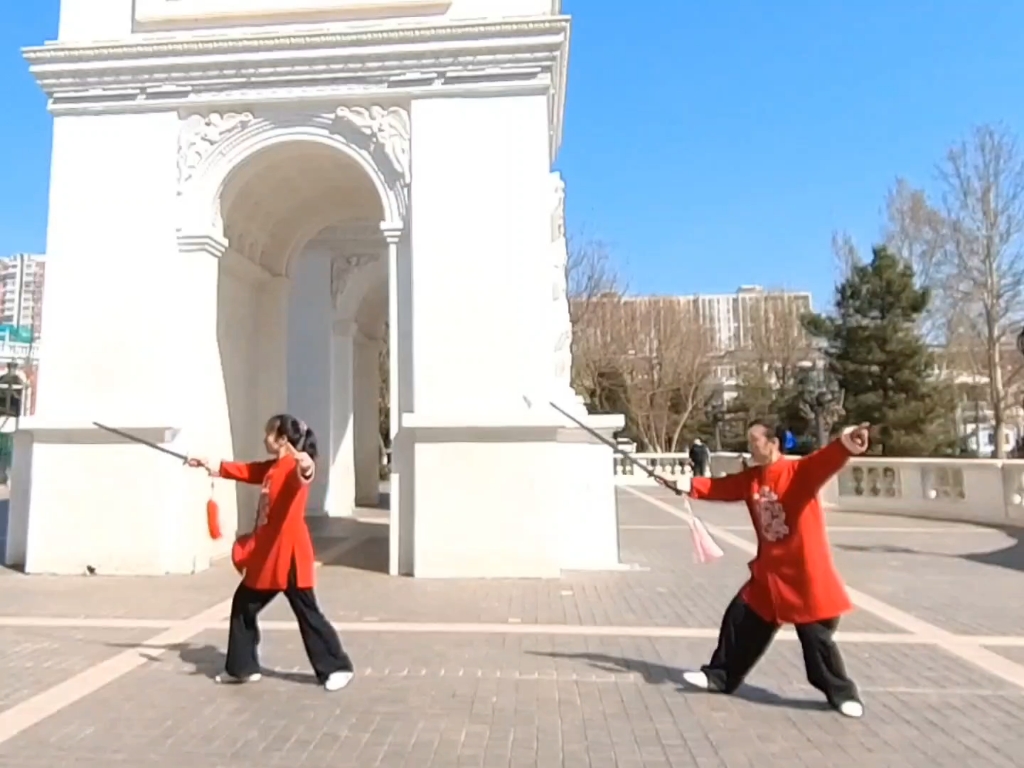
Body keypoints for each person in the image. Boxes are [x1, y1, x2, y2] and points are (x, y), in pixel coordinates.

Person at [679, 419, 870, 718]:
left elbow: (827, 459)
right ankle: (719, 676)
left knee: (816, 640)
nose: (750, 446)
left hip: (805, 574)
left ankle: (842, 693)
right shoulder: (752, 478)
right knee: (740, 619)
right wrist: (688, 485)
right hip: (769, 576)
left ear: (773, 443)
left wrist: (847, 442)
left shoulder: (800, 473)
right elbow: (722, 487)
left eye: (754, 440)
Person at [187, 414, 355, 691]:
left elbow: (304, 476)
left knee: (307, 612)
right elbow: (250, 471)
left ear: (282, 439)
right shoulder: (273, 467)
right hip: (269, 558)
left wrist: (307, 466)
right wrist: (210, 465)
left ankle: (337, 667)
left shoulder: (292, 467)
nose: (264, 438)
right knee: (243, 604)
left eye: (268, 433)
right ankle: (241, 668)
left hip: (289, 556)